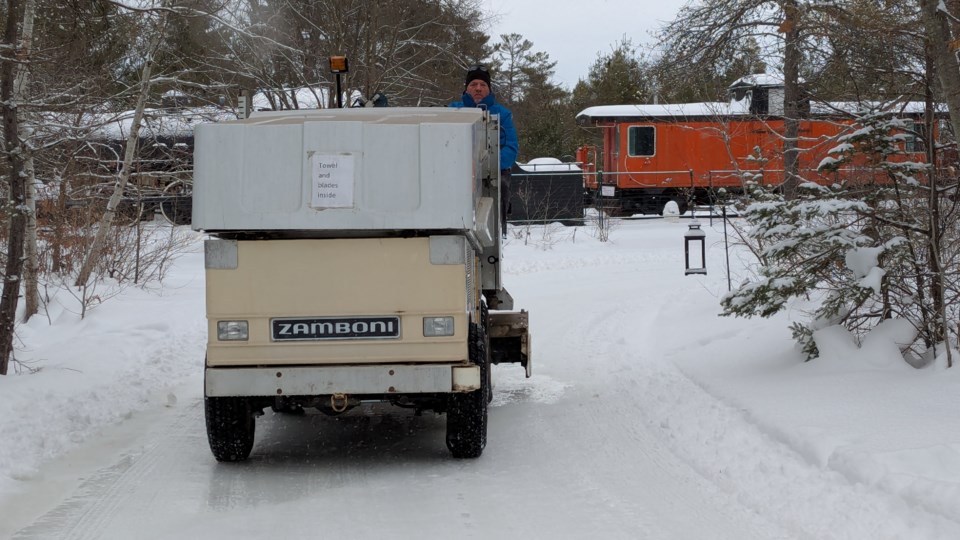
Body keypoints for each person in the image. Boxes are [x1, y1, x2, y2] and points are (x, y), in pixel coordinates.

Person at [449, 65, 519, 234]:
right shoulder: (452, 110)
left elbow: (511, 147)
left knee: (499, 187)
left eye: (483, 85)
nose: (478, 88)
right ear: (466, 88)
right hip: (458, 174)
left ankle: (497, 230)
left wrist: (485, 165)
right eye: (474, 84)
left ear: (489, 89)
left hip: (493, 176)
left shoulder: (503, 114)